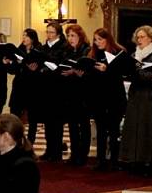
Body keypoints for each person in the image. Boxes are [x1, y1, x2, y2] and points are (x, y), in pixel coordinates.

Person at [120, 25, 152, 175]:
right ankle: (135, 160)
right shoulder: (135, 54)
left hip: (148, 95)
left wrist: (136, 70)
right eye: (137, 37)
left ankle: (150, 162)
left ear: (150, 38)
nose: (139, 40)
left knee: (148, 128)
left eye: (142, 37)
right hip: (136, 94)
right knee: (134, 128)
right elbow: (132, 73)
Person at [88, 28, 128, 171]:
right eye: (95, 39)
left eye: (100, 39)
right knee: (101, 130)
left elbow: (124, 73)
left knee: (114, 130)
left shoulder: (119, 53)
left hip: (114, 97)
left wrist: (108, 69)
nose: (97, 42)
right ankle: (101, 160)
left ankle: (114, 161)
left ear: (108, 39)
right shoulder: (93, 54)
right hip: (99, 97)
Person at [61, 24, 93, 166]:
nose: (70, 38)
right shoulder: (68, 50)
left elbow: (90, 71)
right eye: (68, 36)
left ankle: (83, 154)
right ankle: (74, 154)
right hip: (70, 92)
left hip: (84, 92)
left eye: (73, 35)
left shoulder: (87, 50)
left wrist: (77, 72)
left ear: (80, 36)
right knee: (72, 124)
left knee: (84, 124)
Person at [6, 29, 43, 144]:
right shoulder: (18, 50)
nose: (24, 38)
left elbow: (41, 69)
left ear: (32, 38)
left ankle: (30, 142)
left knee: (32, 117)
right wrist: (10, 63)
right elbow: (12, 71)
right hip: (19, 87)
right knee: (15, 114)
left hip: (32, 87)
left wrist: (33, 69)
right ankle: (16, 140)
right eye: (23, 35)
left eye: (26, 36)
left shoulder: (39, 50)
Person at [40, 22, 70, 162]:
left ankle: (57, 151)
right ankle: (49, 149)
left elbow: (62, 64)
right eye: (47, 32)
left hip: (58, 88)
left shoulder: (64, 47)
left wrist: (50, 67)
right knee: (47, 121)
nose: (49, 35)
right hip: (45, 88)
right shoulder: (44, 47)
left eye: (52, 32)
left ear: (58, 33)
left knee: (57, 122)